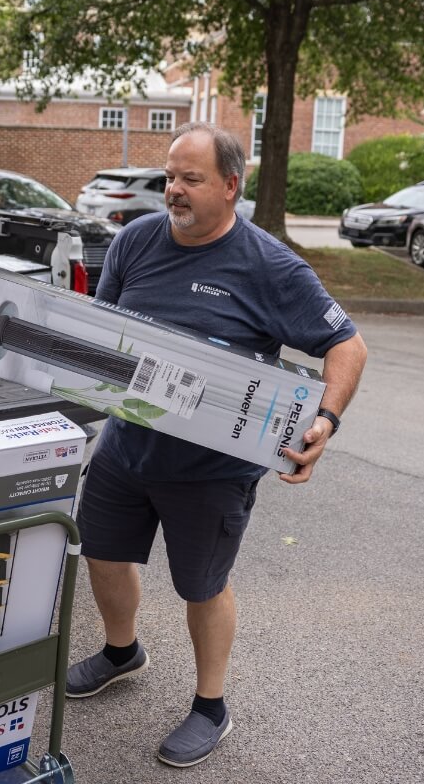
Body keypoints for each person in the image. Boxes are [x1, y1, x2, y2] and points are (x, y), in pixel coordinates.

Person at [65, 122, 368, 768]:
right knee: (102, 550)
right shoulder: (136, 241)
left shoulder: (270, 265)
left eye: (190, 179)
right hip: (127, 446)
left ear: (231, 187)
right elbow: (106, 327)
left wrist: (326, 420)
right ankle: (122, 651)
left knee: (202, 586)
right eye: (170, 177)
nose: (173, 190)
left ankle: (211, 706)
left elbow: (348, 345)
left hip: (209, 467)